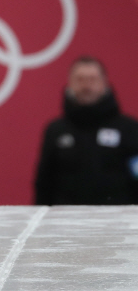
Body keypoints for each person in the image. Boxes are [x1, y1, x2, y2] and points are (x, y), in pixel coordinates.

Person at [35, 56, 138, 205]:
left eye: (92, 79)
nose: (86, 86)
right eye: (80, 80)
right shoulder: (56, 130)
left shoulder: (128, 129)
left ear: (104, 83)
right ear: (70, 83)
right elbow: (44, 182)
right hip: (66, 219)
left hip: (117, 219)